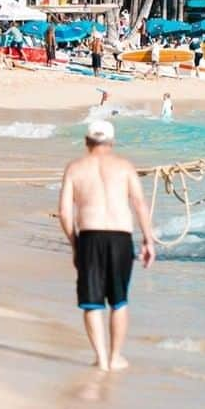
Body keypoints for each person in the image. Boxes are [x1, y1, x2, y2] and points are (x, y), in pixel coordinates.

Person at [57, 119, 155, 372]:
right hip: (120, 236)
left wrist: (75, 243)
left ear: (87, 141)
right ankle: (115, 357)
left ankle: (100, 359)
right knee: (119, 301)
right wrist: (148, 240)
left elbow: (65, 212)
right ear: (111, 142)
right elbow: (139, 204)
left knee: (91, 302)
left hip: (90, 235)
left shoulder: (75, 168)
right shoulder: (124, 167)